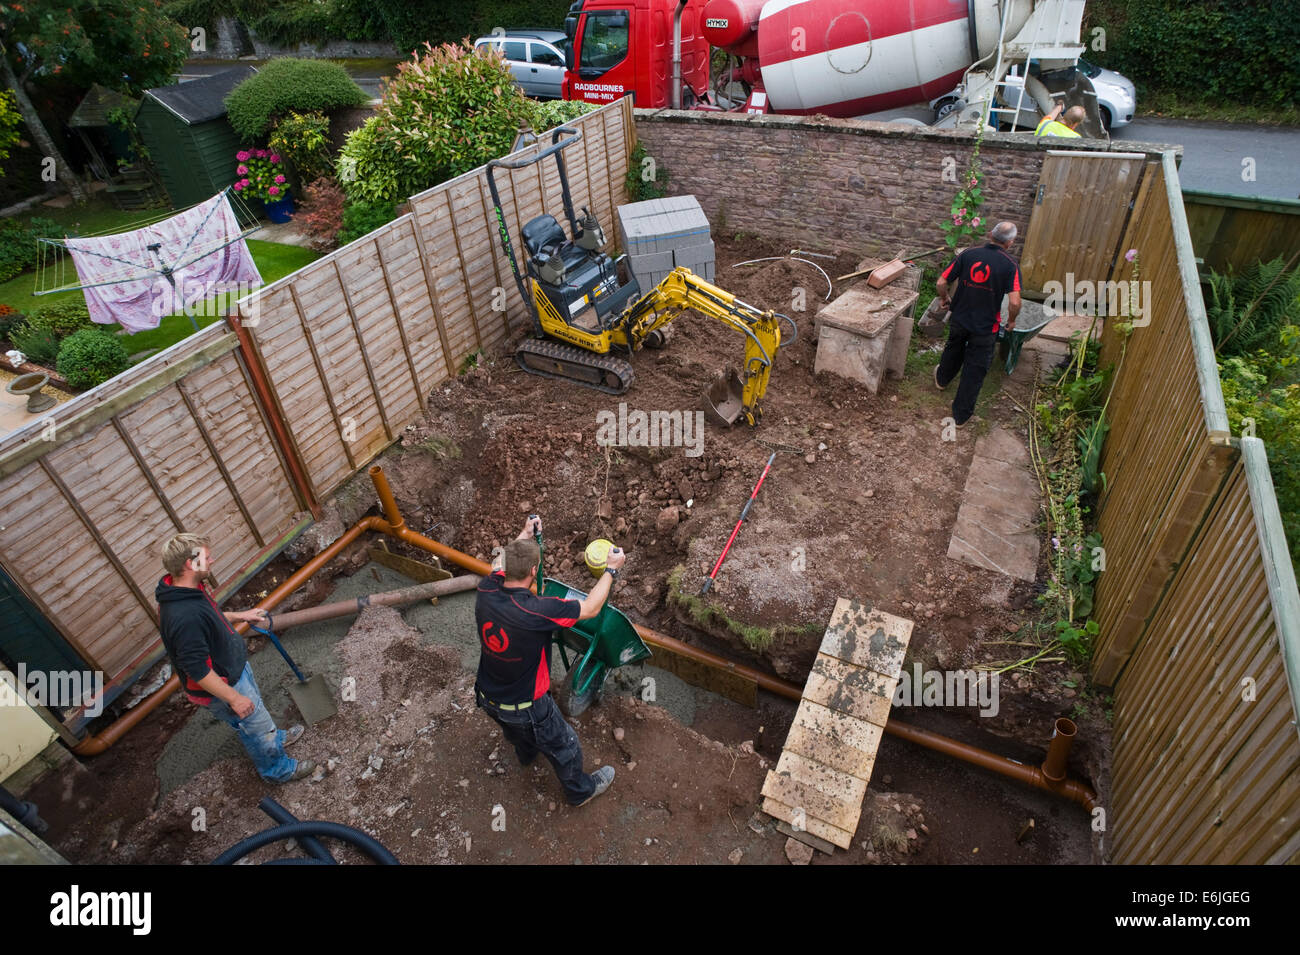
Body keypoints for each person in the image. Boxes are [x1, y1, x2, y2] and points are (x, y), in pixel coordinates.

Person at [475, 515, 623, 807]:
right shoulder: (537, 610)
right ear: (533, 570)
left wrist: (524, 533)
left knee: (517, 734)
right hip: (527, 705)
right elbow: (592, 608)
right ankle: (580, 791)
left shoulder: (486, 589)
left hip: (487, 695)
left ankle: (527, 755)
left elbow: (499, 563)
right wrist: (611, 571)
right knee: (566, 747)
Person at [156, 533, 315, 784]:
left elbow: (212, 617)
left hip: (232, 669)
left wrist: (242, 615)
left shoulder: (188, 590)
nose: (213, 560)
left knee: (257, 714)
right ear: (190, 563)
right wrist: (234, 698)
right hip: (224, 684)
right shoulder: (183, 616)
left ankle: (275, 737)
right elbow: (197, 670)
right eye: (207, 557)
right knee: (254, 726)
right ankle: (278, 771)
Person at [933, 221, 1023, 426]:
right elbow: (1015, 301)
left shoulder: (968, 254)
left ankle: (941, 380)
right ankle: (960, 415)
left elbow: (941, 282)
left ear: (991, 234)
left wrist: (945, 298)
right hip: (986, 327)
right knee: (975, 369)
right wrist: (1011, 321)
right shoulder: (1010, 265)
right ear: (1010, 242)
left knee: (953, 348)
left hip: (960, 317)